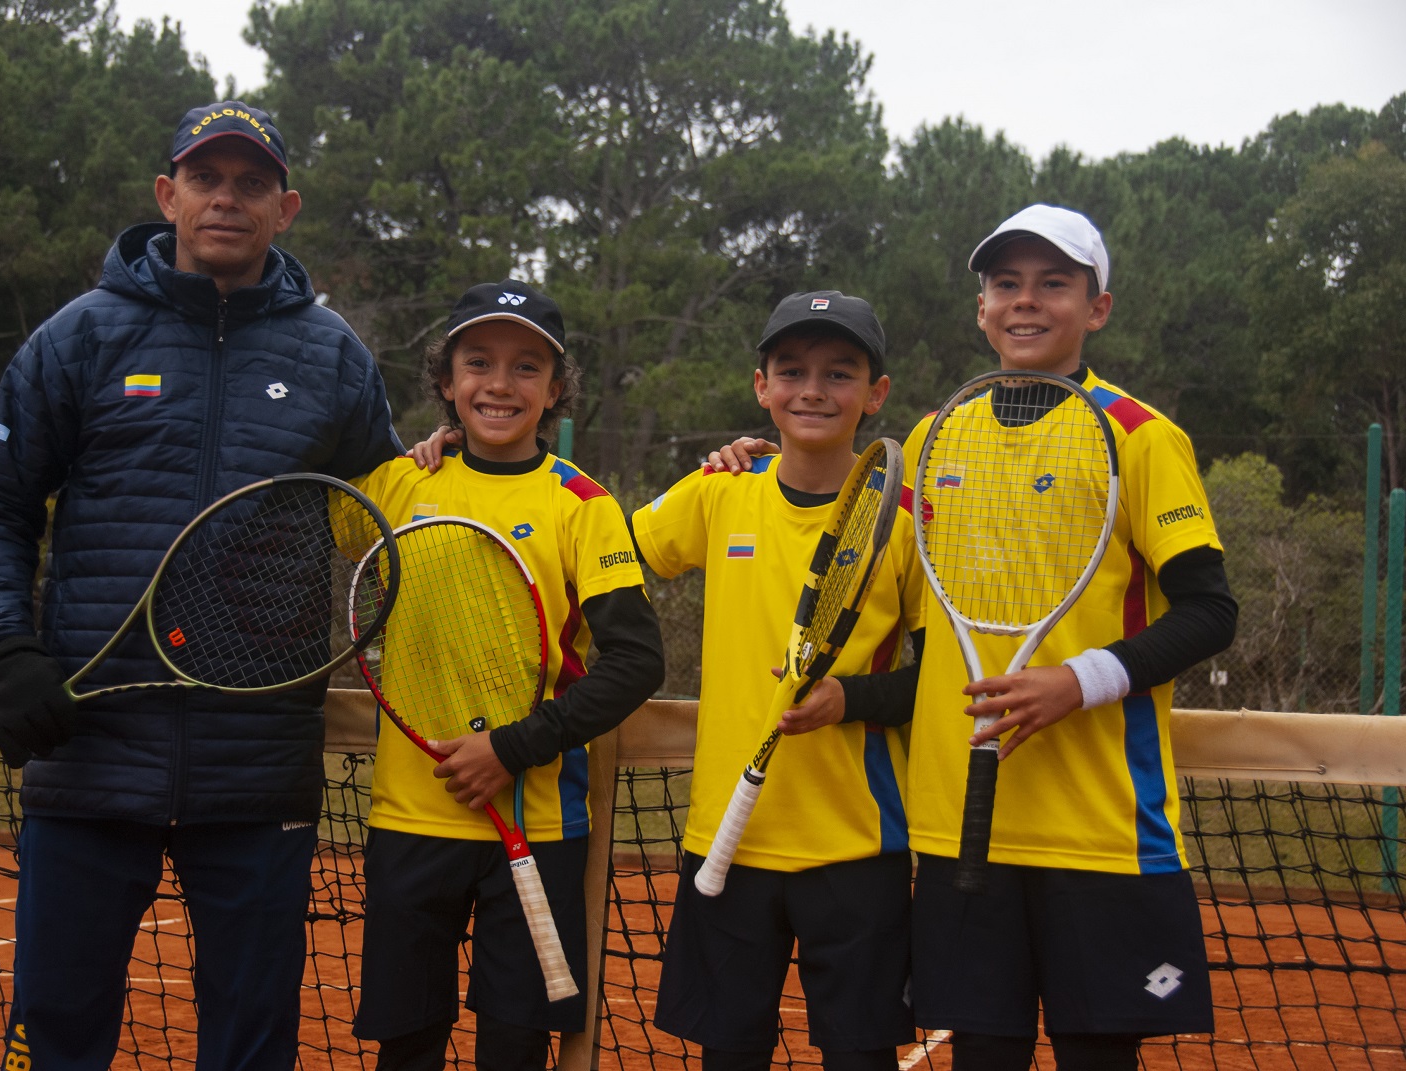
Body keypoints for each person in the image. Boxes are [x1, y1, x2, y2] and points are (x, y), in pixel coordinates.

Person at [0, 101, 403, 1070]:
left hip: (256, 765)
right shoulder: (77, 339)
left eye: (251, 184)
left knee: (250, 1047)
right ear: (169, 196)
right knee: (59, 1034)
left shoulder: (335, 358)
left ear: (285, 208)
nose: (227, 200)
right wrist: (5, 648)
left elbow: (390, 514)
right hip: (86, 752)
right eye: (207, 179)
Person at [902, 205, 1238, 1071]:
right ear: (980, 308)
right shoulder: (930, 438)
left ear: (1098, 308)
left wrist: (1076, 681)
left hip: (1099, 828)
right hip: (956, 828)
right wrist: (750, 458)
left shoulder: (1143, 437)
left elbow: (1209, 611)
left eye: (1055, 282)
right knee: (980, 1054)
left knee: (1097, 1057)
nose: (1026, 301)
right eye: (1006, 283)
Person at [350, 279, 665, 1071]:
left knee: (516, 1047)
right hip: (409, 821)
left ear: (556, 390)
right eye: (478, 362)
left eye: (528, 367)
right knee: (408, 1043)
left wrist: (513, 748)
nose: (500, 383)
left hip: (536, 825)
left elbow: (636, 661)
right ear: (446, 381)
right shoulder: (397, 486)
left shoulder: (584, 503)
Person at [631, 292, 923, 1071]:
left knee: (860, 1059)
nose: (812, 391)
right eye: (790, 371)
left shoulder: (911, 523)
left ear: (876, 393)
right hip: (727, 839)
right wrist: (462, 450)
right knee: (730, 1057)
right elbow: (607, 559)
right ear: (761, 386)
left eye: (839, 372)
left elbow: (940, 683)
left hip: (859, 846)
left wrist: (850, 698)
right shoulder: (720, 491)